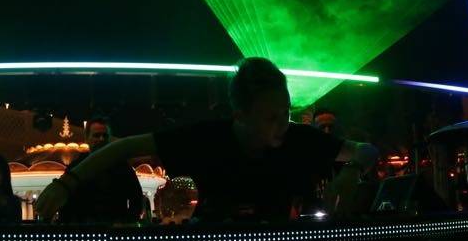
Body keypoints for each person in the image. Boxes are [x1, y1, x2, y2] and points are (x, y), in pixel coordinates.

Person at [36, 57, 379, 222]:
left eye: (285, 113)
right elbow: (124, 147)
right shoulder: (207, 138)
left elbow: (367, 150)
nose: (282, 125)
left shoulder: (299, 138)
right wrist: (66, 184)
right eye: (270, 117)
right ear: (241, 115)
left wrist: (352, 171)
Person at [59, 116, 144, 223]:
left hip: (113, 227)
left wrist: (127, 222)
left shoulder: (122, 166)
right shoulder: (75, 166)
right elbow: (65, 201)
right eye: (96, 135)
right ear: (87, 138)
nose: (101, 139)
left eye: (105, 135)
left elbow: (136, 197)